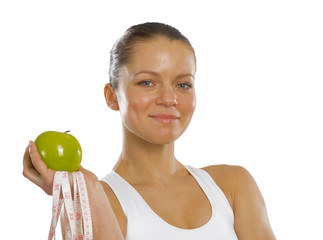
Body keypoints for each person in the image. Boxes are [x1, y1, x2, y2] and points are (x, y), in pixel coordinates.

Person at [23, 22, 276, 239]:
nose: (169, 98)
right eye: (147, 82)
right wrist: (89, 189)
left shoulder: (233, 186)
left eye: (183, 84)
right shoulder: (96, 200)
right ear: (112, 97)